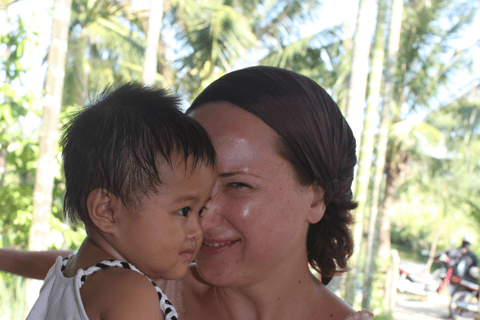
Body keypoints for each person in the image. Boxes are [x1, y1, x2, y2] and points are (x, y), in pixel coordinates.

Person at [1, 66, 373, 320]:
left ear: (316, 198)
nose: (203, 218)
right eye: (188, 201)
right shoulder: (146, 280)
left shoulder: (143, 283)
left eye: (237, 185)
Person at [24, 82, 217, 320]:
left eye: (200, 211)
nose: (198, 229)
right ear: (106, 211)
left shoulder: (63, 276)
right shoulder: (131, 293)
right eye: (184, 210)